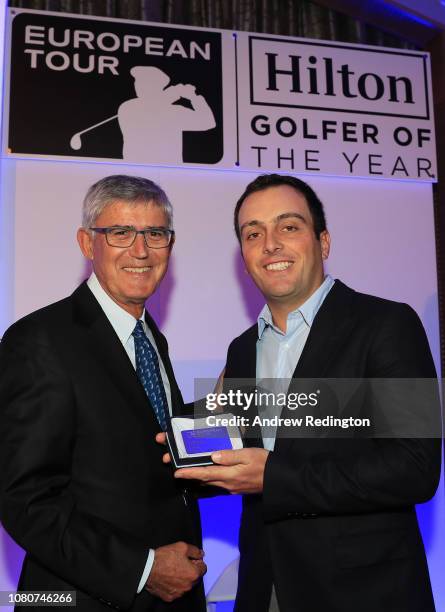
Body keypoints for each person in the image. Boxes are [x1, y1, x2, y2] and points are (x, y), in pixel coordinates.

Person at [172, 174, 441, 611]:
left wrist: (273, 476)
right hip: (265, 591)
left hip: (365, 595)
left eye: (288, 226)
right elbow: (227, 456)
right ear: (244, 255)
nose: (270, 244)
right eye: (253, 233)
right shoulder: (242, 351)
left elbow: (414, 467)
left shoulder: (387, 325)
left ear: (324, 242)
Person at [0, 175, 207, 612]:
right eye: (120, 233)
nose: (140, 250)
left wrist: (223, 412)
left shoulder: (149, 337)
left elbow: (143, 448)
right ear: (85, 243)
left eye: (155, 233)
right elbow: (24, 498)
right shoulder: (40, 339)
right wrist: (144, 568)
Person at [118, 66, 216, 164]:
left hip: (170, 171)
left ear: (157, 86)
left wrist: (194, 97)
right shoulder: (128, 107)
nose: (138, 85)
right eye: (138, 81)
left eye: (145, 83)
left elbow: (208, 122)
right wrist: (180, 92)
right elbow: (152, 105)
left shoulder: (174, 111)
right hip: (135, 172)